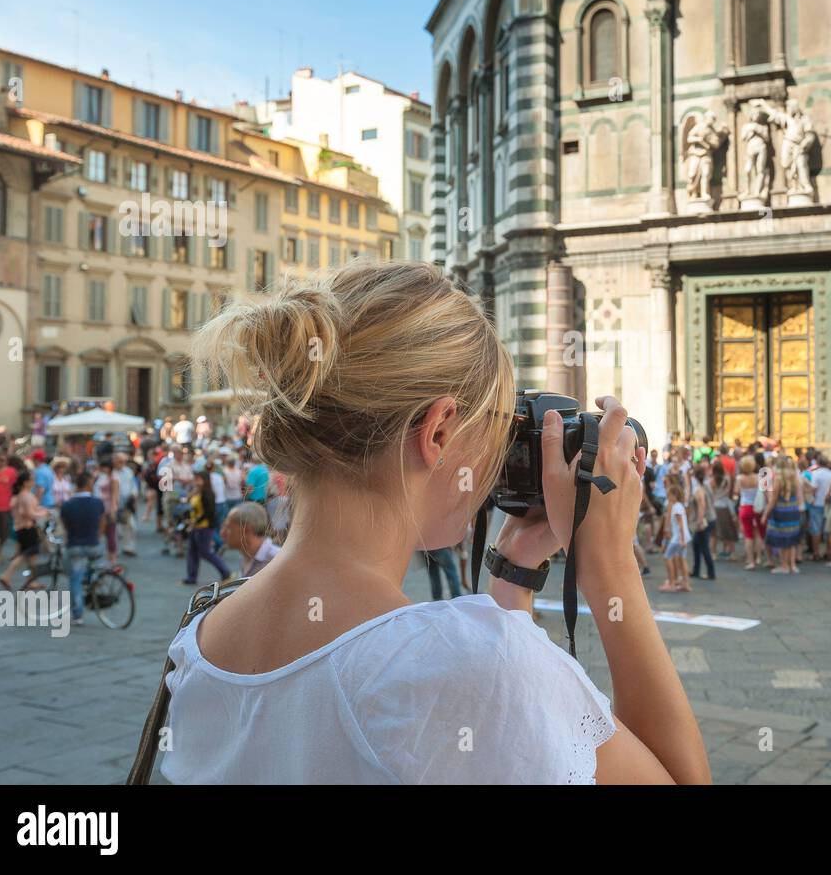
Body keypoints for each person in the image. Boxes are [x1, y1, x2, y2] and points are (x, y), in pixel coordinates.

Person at [164, 262, 709, 783]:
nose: (499, 456)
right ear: (440, 431)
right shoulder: (457, 663)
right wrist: (610, 568)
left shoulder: (200, 641)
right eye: (497, 425)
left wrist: (512, 575)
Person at [60, 470, 106, 626]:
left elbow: (65, 526)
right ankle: (92, 580)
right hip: (94, 545)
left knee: (74, 578)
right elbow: (103, 522)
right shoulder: (97, 503)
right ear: (88, 484)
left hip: (75, 545)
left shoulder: (67, 505)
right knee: (90, 565)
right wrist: (98, 536)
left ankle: (78, 613)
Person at [182, 460, 233, 586]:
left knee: (205, 552)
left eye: (198, 479)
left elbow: (209, 512)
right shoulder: (198, 491)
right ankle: (191, 576)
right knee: (192, 552)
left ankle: (226, 572)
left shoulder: (207, 493)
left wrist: (196, 521)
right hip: (197, 525)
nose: (196, 481)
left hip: (204, 526)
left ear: (204, 480)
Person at [0, 470, 48, 591]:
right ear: (26, 482)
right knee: (26, 554)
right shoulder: (25, 496)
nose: (33, 482)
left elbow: (30, 509)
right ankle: (7, 575)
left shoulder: (23, 495)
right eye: (31, 480)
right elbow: (28, 513)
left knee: (30, 555)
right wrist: (44, 513)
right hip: (27, 528)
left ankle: (31, 580)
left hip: (23, 528)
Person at [761, 456, 802, 575]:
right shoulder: (795, 478)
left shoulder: (778, 479)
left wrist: (765, 514)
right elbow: (799, 497)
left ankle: (784, 565)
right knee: (791, 538)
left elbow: (773, 500)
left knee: (782, 539)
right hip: (793, 509)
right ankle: (792, 565)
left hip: (781, 511)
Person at [220, 501, 280, 578]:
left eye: (228, 528)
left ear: (246, 530)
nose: (222, 533)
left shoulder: (276, 560)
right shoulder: (245, 556)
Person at [660, 478, 692, 593]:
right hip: (682, 537)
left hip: (678, 538)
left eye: (669, 495)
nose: (668, 497)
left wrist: (682, 539)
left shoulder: (676, 507)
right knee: (682, 559)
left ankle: (672, 582)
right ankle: (685, 583)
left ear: (674, 495)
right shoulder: (679, 506)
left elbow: (680, 525)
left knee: (667, 556)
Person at [735, 454, 763, 570]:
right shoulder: (759, 477)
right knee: (758, 533)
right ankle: (759, 557)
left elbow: (736, 492)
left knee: (748, 535)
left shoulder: (740, 478)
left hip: (745, 507)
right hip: (757, 506)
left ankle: (750, 560)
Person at [708, 458, 737, 562]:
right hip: (725, 506)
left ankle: (713, 553)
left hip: (714, 506)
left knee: (713, 533)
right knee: (729, 531)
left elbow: (710, 495)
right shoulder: (727, 478)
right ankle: (732, 553)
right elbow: (729, 492)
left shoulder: (711, 481)